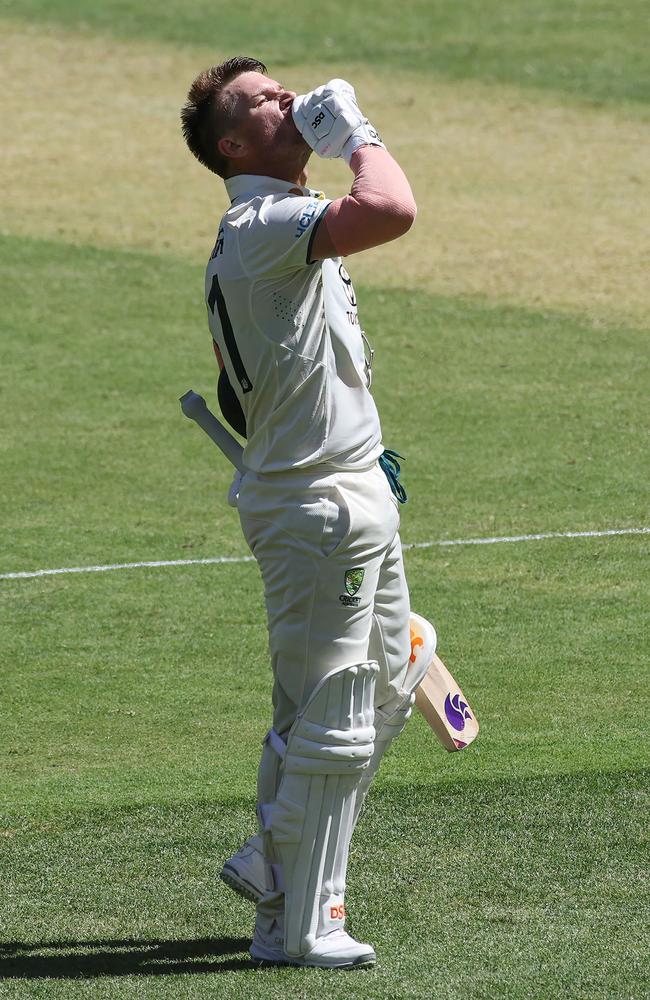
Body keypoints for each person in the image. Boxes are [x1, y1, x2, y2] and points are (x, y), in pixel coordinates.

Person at [180, 56, 430, 970]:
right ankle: (305, 920)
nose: (288, 101)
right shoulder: (264, 224)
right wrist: (358, 134)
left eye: (282, 88)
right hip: (318, 505)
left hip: (346, 485)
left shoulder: (273, 227)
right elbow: (393, 209)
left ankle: (273, 868)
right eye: (261, 101)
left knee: (399, 670)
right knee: (330, 712)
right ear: (233, 144)